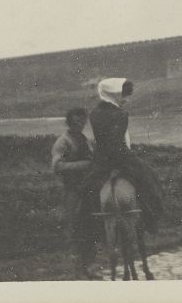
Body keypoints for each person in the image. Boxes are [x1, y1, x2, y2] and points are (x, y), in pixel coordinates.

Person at [82, 77, 164, 235]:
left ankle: (89, 231)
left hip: (101, 160)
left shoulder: (94, 113)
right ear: (114, 95)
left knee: (86, 189)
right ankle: (152, 221)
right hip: (121, 157)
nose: (126, 100)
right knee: (150, 180)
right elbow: (117, 143)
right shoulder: (120, 114)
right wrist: (128, 156)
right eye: (123, 96)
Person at [50, 108, 98, 280]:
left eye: (83, 121)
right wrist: (83, 165)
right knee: (74, 229)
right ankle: (77, 271)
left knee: (91, 229)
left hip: (88, 190)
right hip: (73, 191)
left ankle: (89, 268)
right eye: (76, 121)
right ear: (69, 122)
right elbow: (57, 166)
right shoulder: (62, 142)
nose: (80, 124)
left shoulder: (86, 140)